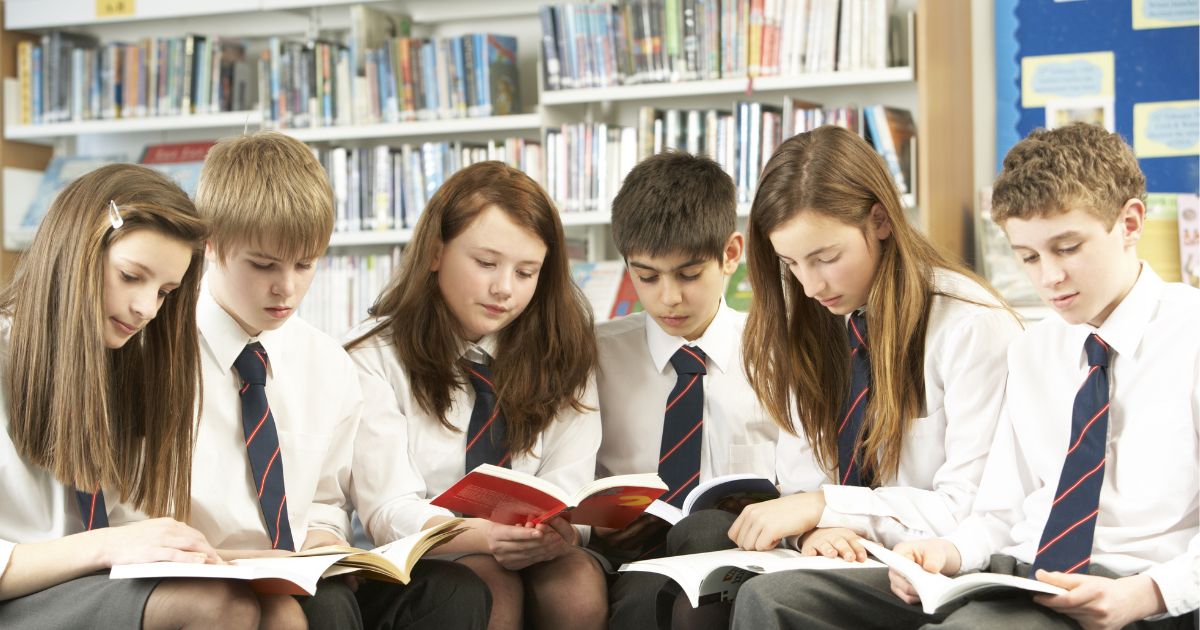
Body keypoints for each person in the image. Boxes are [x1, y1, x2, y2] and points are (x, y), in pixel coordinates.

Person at [109, 132, 491, 629]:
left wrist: (324, 536)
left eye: (305, 265)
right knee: (324, 608)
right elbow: (126, 513)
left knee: (452, 591)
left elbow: (326, 501)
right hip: (194, 577)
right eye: (263, 265)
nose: (286, 288)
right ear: (211, 244)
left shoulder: (325, 361)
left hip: (294, 570)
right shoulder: (148, 347)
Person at [878, 123, 1198, 629]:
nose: (1048, 278)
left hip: (1141, 587)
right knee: (786, 598)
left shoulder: (1191, 336)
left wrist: (1148, 593)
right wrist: (947, 553)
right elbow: (1003, 511)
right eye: (1028, 257)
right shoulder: (1034, 349)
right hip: (1024, 574)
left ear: (1130, 223)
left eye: (1067, 248)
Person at [726, 125, 1020, 628]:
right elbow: (801, 485)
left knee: (770, 596)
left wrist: (826, 508)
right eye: (791, 263)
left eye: (827, 258)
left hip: (946, 565)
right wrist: (812, 532)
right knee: (745, 581)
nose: (811, 284)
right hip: (861, 559)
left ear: (880, 220)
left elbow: (971, 507)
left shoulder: (971, 325)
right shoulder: (811, 324)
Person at [0, 164, 263, 629]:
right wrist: (104, 547)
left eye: (165, 292)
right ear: (76, 251)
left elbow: (122, 525)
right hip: (20, 595)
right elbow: (104, 543)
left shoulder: (114, 363)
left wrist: (238, 559)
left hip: (85, 583)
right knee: (220, 608)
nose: (146, 309)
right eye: (130, 276)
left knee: (277, 605)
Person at [346, 161, 606, 630]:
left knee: (576, 583)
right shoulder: (372, 355)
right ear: (434, 253)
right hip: (417, 558)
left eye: (526, 272)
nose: (503, 289)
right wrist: (482, 535)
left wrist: (557, 532)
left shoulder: (563, 353)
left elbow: (571, 490)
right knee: (489, 579)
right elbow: (388, 511)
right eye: (486, 264)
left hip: (534, 549)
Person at [589, 151, 777, 629]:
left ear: (731, 254)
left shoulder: (777, 355)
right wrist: (595, 530)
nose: (668, 298)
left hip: (744, 556)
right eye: (646, 276)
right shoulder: (596, 357)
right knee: (642, 596)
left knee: (706, 531)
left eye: (689, 275)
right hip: (633, 564)